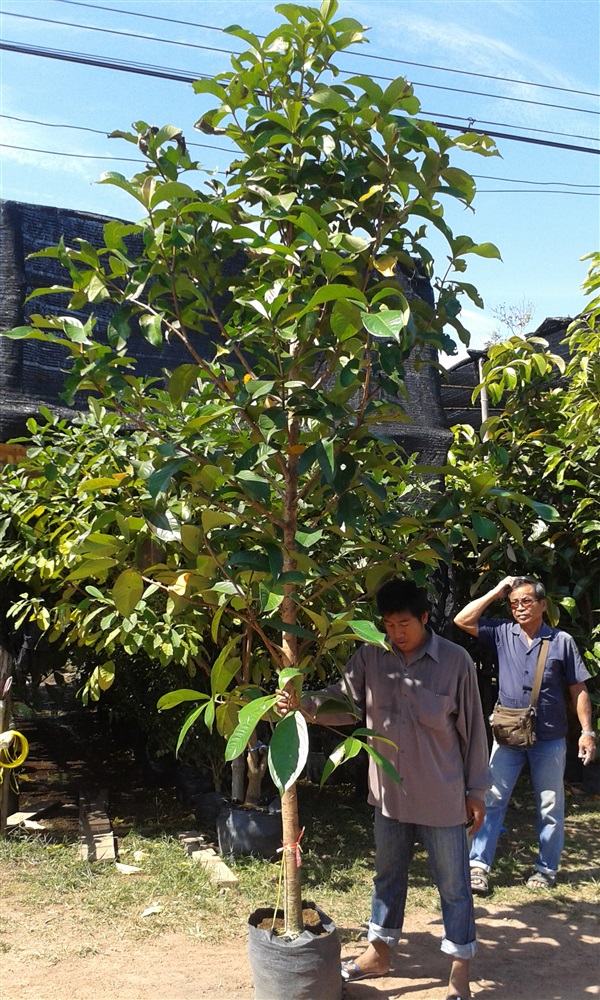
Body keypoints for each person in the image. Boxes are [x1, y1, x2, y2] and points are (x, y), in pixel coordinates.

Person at [277, 578, 491, 1000]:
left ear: (425, 618)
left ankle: (459, 971)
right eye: (389, 624)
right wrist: (301, 703)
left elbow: (473, 731)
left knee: (455, 886)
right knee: (387, 878)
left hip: (443, 799)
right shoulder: (371, 657)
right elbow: (344, 704)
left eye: (404, 623)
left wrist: (477, 792)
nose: (396, 632)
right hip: (389, 799)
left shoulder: (456, 662)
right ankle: (379, 952)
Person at [454, 574, 595, 895]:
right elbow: (462, 620)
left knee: (550, 805)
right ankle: (478, 867)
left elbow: (579, 689)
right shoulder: (503, 632)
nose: (519, 608)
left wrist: (587, 732)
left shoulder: (561, 642)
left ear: (543, 604)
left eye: (526, 601)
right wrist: (496, 591)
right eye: (514, 602)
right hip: (508, 734)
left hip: (550, 738)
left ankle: (546, 869)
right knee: (490, 799)